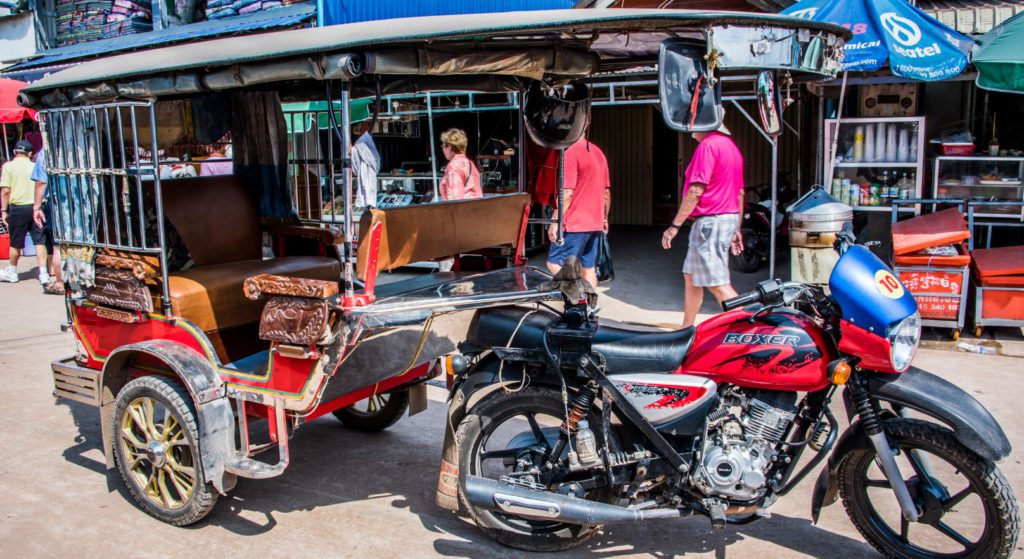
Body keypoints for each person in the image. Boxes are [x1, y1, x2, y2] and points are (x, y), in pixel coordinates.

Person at [661, 119, 745, 328]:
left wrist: (675, 225)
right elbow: (740, 193)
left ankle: (748, 328)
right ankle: (686, 328)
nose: (691, 130)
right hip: (725, 218)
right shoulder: (731, 148)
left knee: (718, 283)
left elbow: (696, 189)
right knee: (691, 276)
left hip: (711, 222)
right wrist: (737, 228)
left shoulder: (708, 146)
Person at [545, 137, 611, 290]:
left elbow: (566, 193)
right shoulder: (598, 153)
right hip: (594, 222)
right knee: (588, 268)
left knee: (554, 263)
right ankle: (588, 306)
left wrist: (555, 222)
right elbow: (606, 193)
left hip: (574, 223)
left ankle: (579, 297)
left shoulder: (570, 153)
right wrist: (604, 218)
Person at [0, 140, 49, 284]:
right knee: (40, 241)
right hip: (36, 207)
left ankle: (13, 272)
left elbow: (5, 191)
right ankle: (43, 273)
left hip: (17, 208)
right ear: (30, 154)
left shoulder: (8, 166)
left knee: (16, 243)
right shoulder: (35, 166)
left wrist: (4, 210)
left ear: (15, 152)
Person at [32, 148, 64, 295]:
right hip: (85, 199)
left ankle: (60, 283)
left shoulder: (47, 151)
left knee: (58, 246)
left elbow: (41, 182)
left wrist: (36, 207)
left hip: (58, 202)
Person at [438, 128, 482, 201]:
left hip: (463, 210)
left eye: (443, 146)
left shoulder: (453, 166)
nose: (442, 149)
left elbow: (454, 198)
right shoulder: (470, 163)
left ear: (449, 147)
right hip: (476, 208)